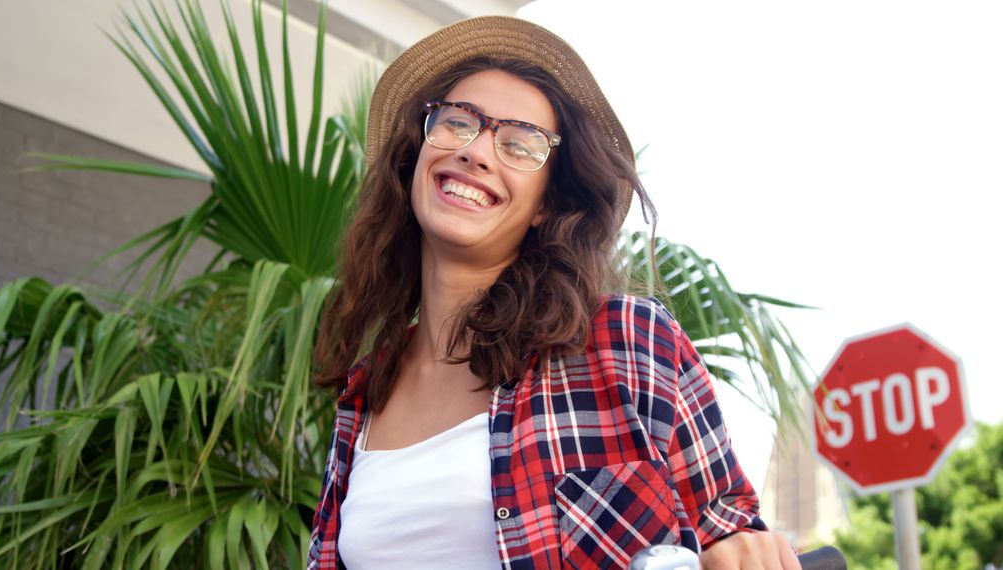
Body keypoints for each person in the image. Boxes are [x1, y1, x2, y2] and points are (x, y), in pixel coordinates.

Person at [307, 15, 799, 570]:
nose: (476, 152)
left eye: (519, 144)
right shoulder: (366, 389)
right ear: (416, 157)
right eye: (456, 123)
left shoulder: (628, 343)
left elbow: (726, 532)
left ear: (545, 206)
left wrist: (737, 549)